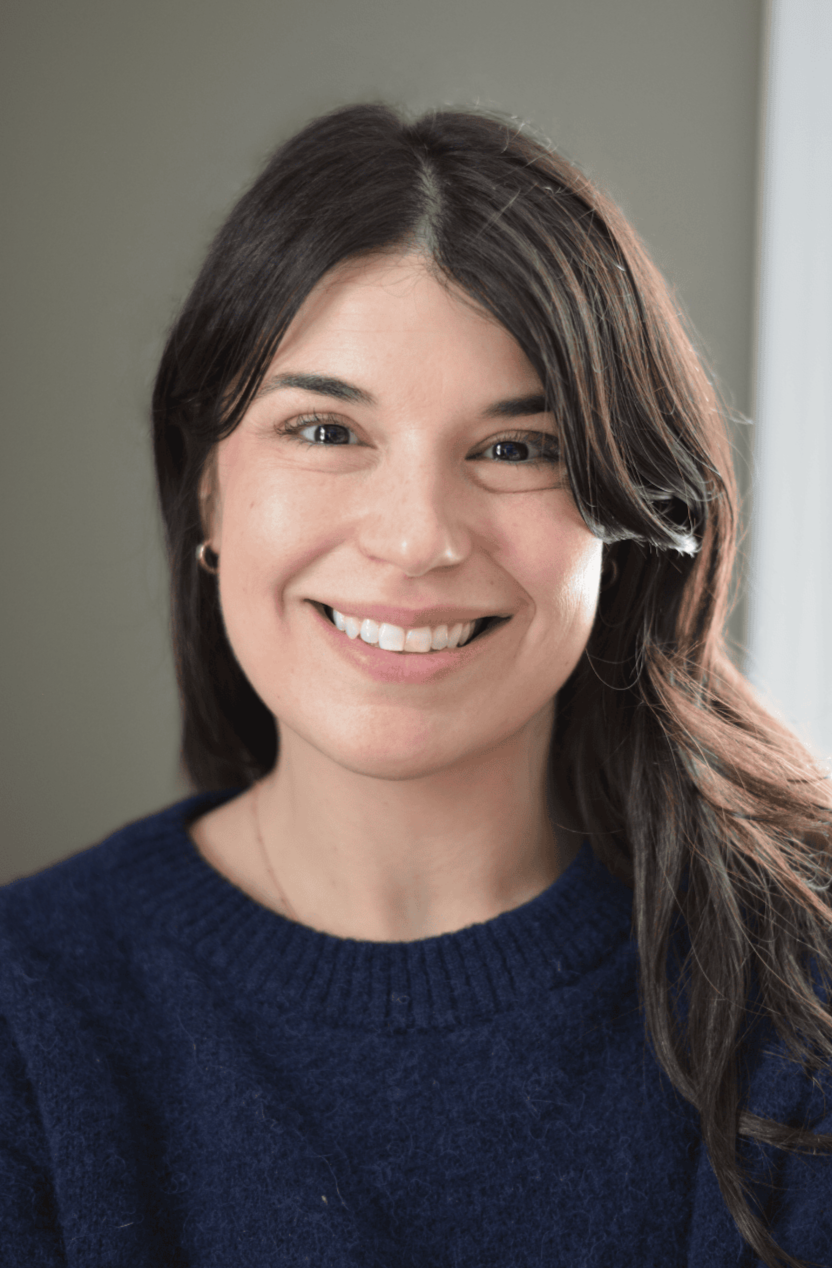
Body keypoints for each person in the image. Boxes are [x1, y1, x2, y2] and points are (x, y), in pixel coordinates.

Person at [1, 100, 830, 1268]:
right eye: (326, 430)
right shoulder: (26, 1013)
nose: (414, 539)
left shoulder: (801, 992)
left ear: (624, 522)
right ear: (207, 493)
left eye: (515, 447)